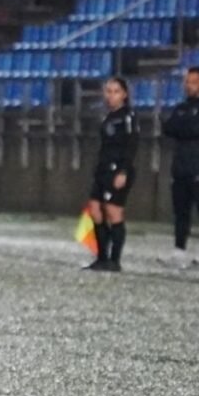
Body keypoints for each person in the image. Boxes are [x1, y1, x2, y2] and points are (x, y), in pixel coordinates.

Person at [161, 66, 199, 268]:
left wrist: (182, 127)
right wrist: (183, 126)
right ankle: (179, 249)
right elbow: (168, 128)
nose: (189, 85)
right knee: (180, 210)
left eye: (193, 81)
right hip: (181, 166)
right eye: (187, 81)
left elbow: (197, 128)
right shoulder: (182, 106)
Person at [84, 77, 138, 273]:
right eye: (108, 91)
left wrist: (123, 171)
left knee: (113, 211)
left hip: (118, 169)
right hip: (103, 169)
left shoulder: (128, 116)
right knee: (95, 210)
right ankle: (101, 257)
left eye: (115, 91)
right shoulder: (107, 117)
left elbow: (132, 145)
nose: (111, 95)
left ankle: (114, 261)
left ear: (124, 94)